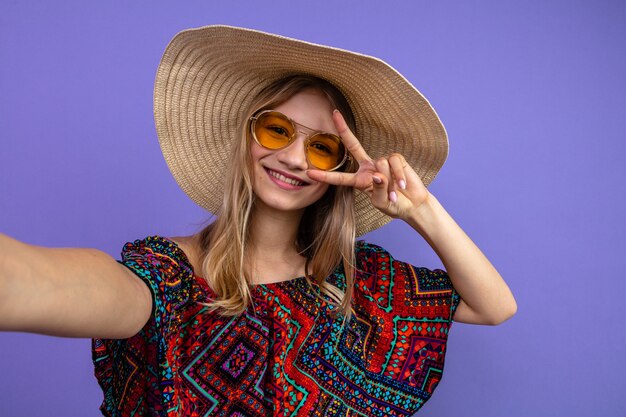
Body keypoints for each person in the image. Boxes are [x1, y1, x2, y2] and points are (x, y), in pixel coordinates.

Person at [0, 25, 516, 416]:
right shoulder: (170, 279)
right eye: (276, 130)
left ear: (341, 167)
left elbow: (493, 306)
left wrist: (417, 208)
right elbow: (46, 284)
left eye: (321, 146)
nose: (294, 159)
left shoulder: (361, 288)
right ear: (245, 137)